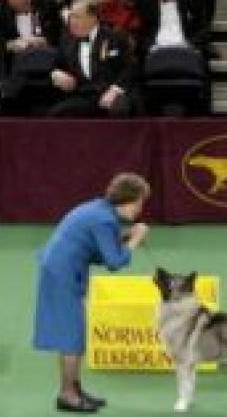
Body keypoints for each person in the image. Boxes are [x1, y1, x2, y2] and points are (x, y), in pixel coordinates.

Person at [33, 172, 150, 413]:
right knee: (71, 337)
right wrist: (135, 239)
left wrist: (125, 237)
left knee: (74, 334)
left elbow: (99, 248)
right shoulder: (104, 220)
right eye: (139, 203)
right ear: (128, 200)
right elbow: (114, 262)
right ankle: (67, 395)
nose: (139, 210)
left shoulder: (99, 210)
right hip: (61, 273)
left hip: (62, 269)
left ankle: (74, 389)